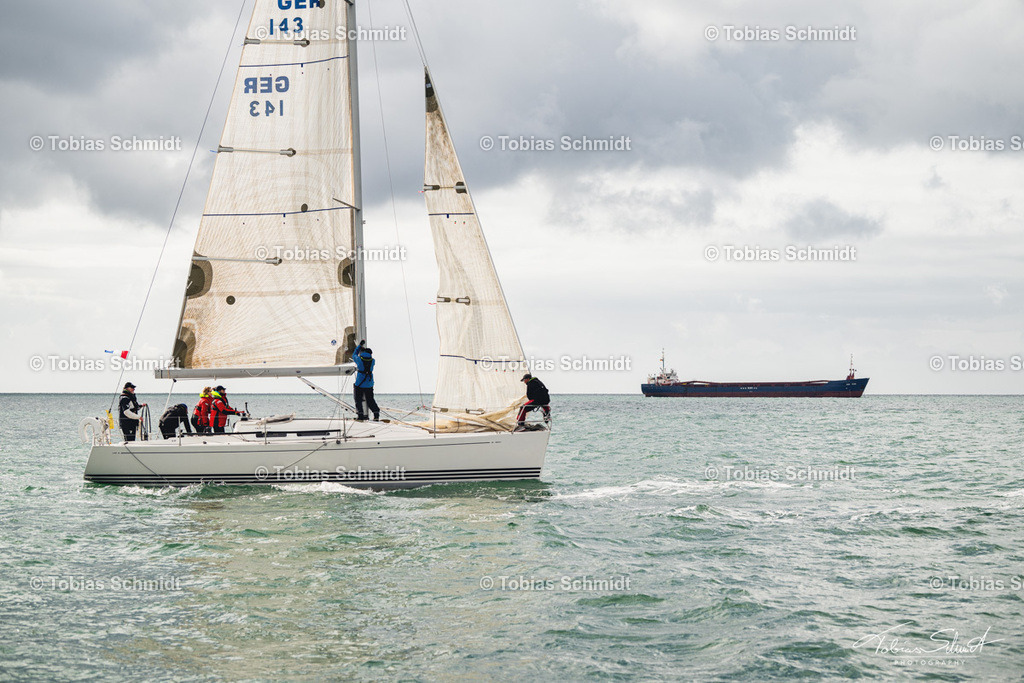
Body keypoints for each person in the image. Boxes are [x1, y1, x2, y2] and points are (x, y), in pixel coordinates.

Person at [353, 340, 380, 421]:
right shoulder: (373, 361)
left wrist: (359, 347)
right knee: (370, 400)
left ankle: (360, 416)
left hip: (360, 384)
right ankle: (376, 414)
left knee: (358, 400)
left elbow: (354, 355)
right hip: (369, 384)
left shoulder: (359, 359)